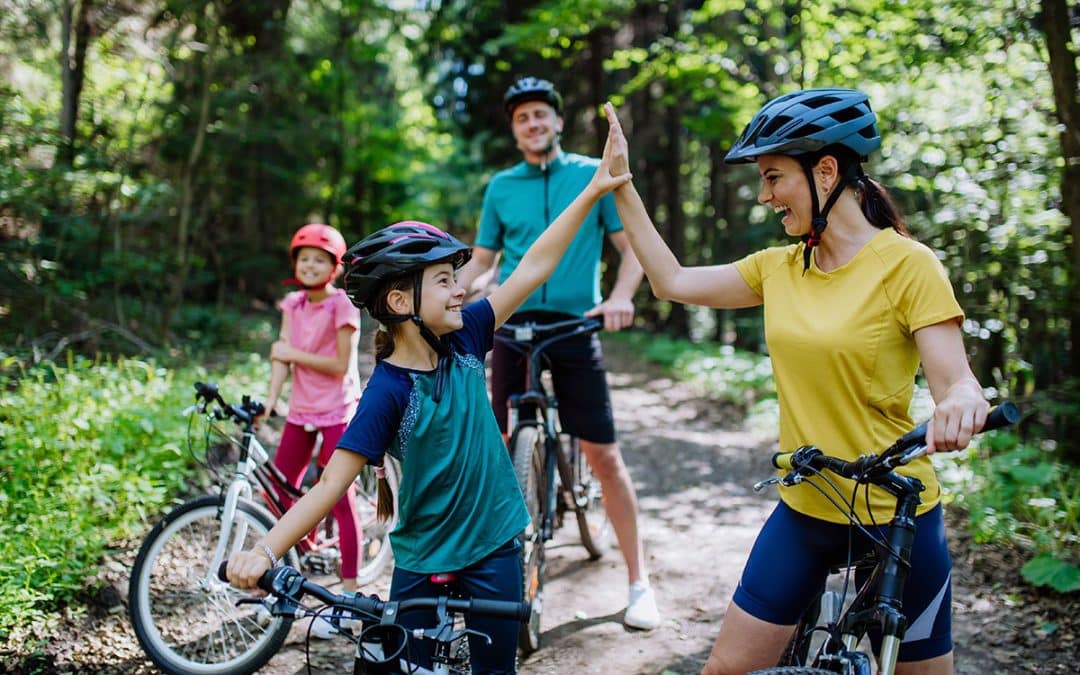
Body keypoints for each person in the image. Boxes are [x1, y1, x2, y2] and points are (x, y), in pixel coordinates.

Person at [599, 90, 989, 675]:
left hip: (898, 517)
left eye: (774, 177)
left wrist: (962, 402)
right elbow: (672, 279)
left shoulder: (910, 266)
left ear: (825, 171)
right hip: (807, 506)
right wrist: (622, 186)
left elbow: (955, 381)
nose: (764, 195)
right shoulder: (778, 267)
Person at [226, 142, 633, 672]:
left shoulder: (468, 338)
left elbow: (534, 264)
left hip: (494, 546)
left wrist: (595, 188)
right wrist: (265, 551)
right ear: (400, 303)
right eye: (444, 281)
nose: (460, 291)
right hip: (421, 560)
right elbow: (330, 484)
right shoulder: (387, 391)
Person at [456, 76, 660, 631]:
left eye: (541, 114)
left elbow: (631, 250)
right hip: (512, 323)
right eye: (522, 117)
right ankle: (491, 565)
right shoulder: (501, 185)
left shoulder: (587, 176)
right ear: (513, 128)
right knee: (499, 442)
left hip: (575, 325)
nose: (533, 124)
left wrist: (620, 298)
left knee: (604, 456)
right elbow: (482, 260)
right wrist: (455, 292)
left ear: (558, 121)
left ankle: (639, 582)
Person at [261, 223, 364, 638]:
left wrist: (292, 353)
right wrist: (269, 401)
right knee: (278, 491)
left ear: (334, 267)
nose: (309, 265)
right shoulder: (293, 304)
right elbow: (281, 359)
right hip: (301, 410)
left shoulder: (343, 306)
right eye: (303, 258)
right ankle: (282, 582)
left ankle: (352, 594)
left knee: (339, 499)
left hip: (338, 409)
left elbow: (340, 365)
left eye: (319, 259)